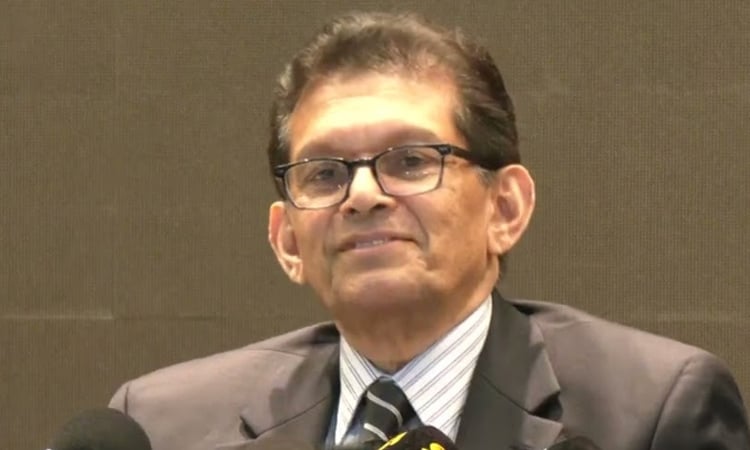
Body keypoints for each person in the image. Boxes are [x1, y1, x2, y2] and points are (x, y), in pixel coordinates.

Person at [109, 11, 750, 450]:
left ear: (505, 209)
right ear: (287, 241)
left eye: (411, 161)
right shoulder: (162, 428)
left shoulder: (652, 414)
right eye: (325, 173)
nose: (363, 195)